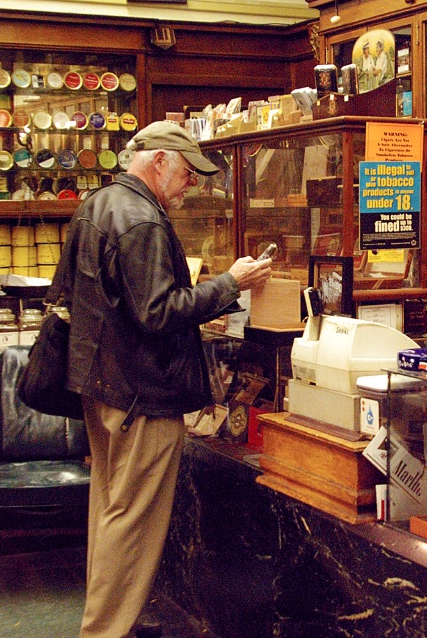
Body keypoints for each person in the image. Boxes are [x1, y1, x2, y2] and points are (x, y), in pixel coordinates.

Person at [57, 120, 273, 638]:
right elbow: (158, 311)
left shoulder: (97, 204)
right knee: (132, 524)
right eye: (185, 174)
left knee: (111, 513)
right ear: (158, 161)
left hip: (101, 386)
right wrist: (230, 284)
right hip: (141, 397)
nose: (189, 186)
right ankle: (104, 631)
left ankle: (106, 625)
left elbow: (86, 296)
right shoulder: (144, 220)